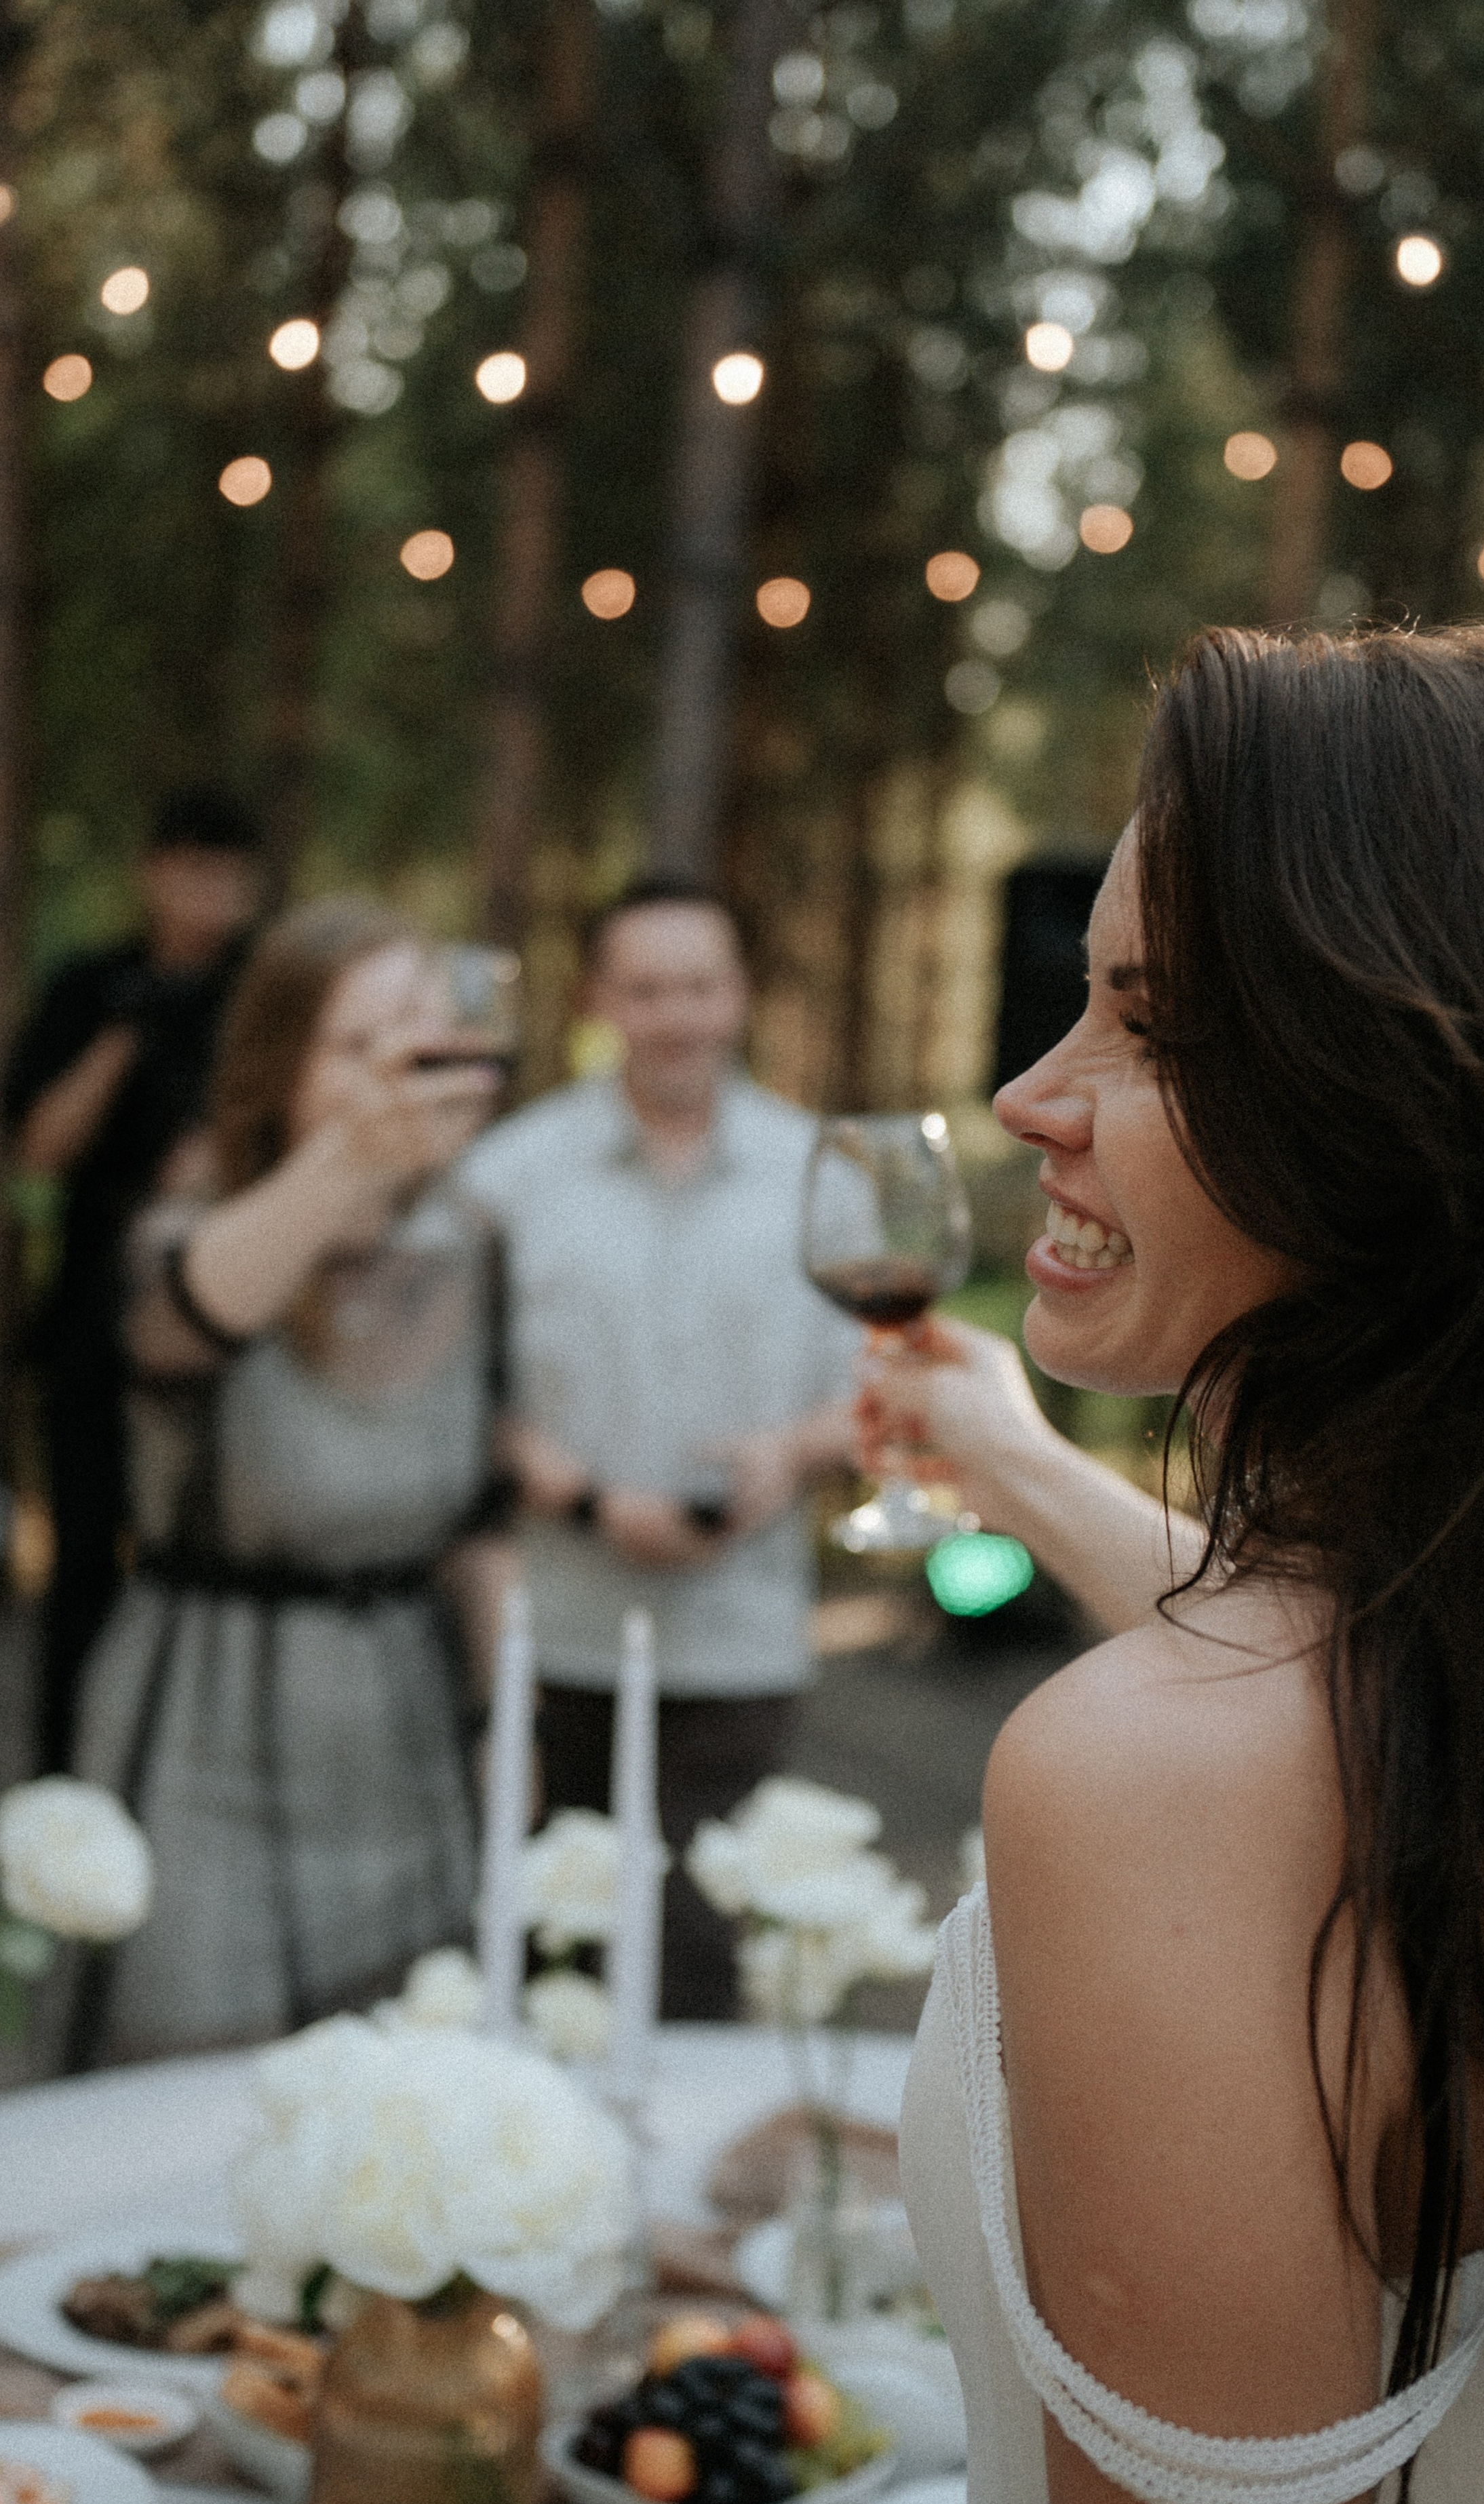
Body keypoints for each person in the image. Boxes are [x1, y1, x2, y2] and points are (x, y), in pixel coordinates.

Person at [895, 624, 1484, 2504]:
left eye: (1152, 1022)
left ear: (1426, 1094)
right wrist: (1010, 1463)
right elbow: (1350, 1704)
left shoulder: (1150, 1785)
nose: (1034, 1093)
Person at [68, 897, 507, 2064]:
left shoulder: (473, 1240)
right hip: (207, 1752)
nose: (407, 1069)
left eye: (428, 1031)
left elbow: (479, 1526)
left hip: (403, 1757)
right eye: (362, 1045)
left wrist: (493, 1746)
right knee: (193, 2120)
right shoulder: (191, 1230)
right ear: (279, 1067)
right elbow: (179, 1329)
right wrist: (350, 1162)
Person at [461, 880, 856, 2019]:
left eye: (699, 985)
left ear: (738, 996)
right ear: (597, 998)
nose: (676, 1014)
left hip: (739, 1636)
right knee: (549, 1941)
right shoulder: (509, 1174)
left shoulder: (820, 1168)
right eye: (646, 988)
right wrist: (583, 1499)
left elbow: (875, 1388)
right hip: (555, 1628)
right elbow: (455, 1391)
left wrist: (786, 1453)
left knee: (694, 1943)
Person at [3, 789, 262, 1775]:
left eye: (227, 873)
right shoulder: (91, 986)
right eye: (192, 868)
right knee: (81, 1567)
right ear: (153, 872)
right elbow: (39, 1148)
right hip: (91, 1315)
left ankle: (184, 1776)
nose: (210, 894)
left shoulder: (262, 988)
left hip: (226, 1318)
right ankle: (63, 1789)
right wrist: (124, 1037)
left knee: (212, 1554)